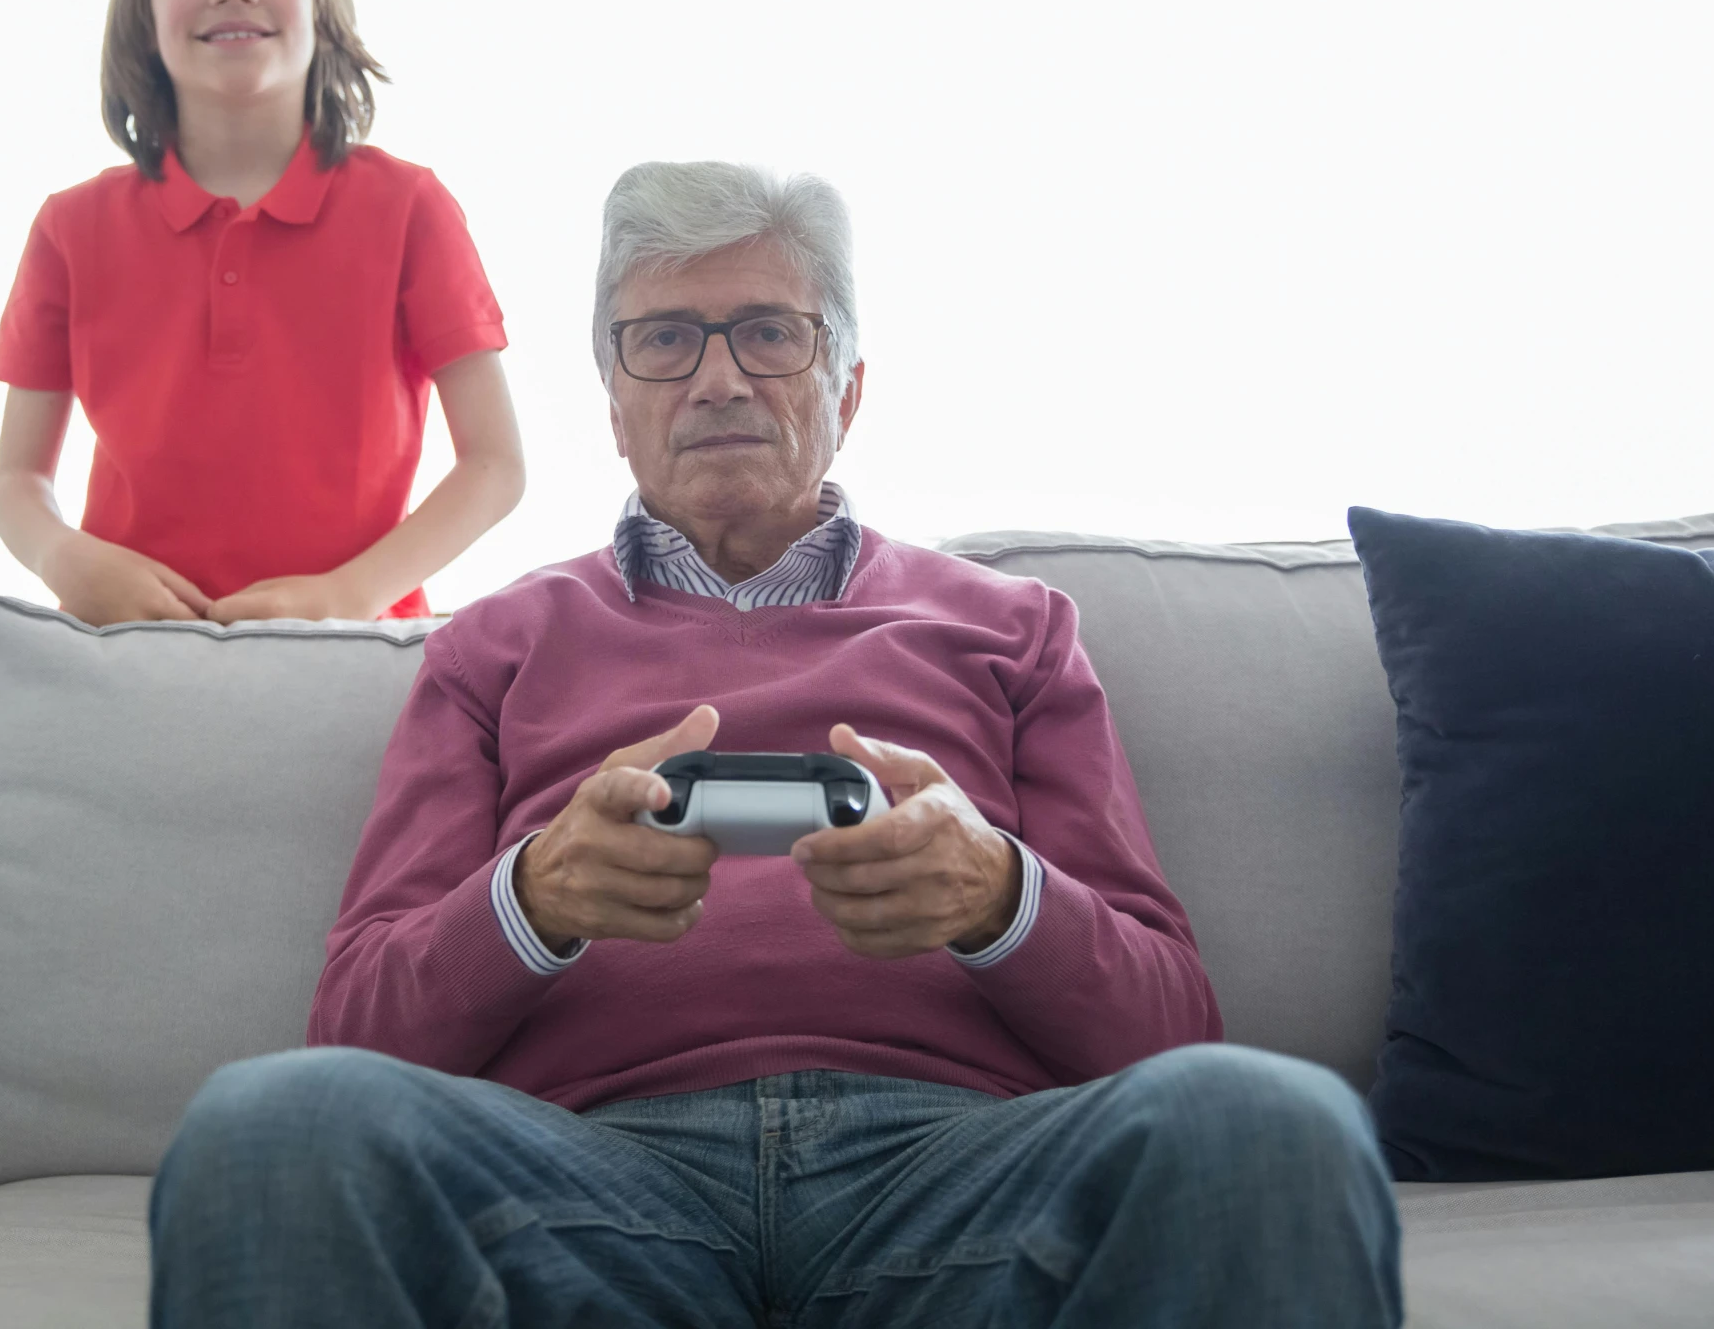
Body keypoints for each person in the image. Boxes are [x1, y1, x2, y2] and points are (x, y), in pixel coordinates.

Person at [149, 163, 1402, 1327]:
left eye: (768, 331)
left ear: (845, 388)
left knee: (1270, 1120)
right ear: (617, 407)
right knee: (270, 1122)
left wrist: (996, 895)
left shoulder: (1014, 629)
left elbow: (1170, 1030)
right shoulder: (494, 646)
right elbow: (355, 1033)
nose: (716, 379)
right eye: (664, 340)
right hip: (589, 1180)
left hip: (954, 1172)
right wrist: (531, 900)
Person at [0, 0, 523, 625]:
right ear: (143, 11)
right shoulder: (70, 227)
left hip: (355, 658)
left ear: (321, 5)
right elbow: (14, 482)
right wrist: (64, 557)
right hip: (121, 651)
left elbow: (496, 465)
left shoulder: (411, 207)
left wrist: (350, 594)